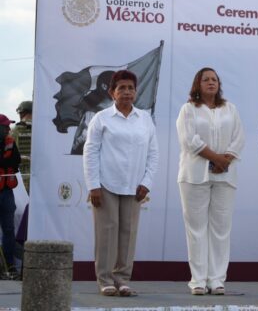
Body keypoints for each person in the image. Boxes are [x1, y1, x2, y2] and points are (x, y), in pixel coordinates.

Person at [83, 70, 160, 297]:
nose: (126, 92)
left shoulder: (145, 119)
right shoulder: (102, 118)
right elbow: (90, 152)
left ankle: (123, 279)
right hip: (105, 185)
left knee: (128, 232)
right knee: (107, 232)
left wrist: (147, 182)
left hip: (134, 186)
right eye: (121, 88)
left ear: (136, 92)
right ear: (112, 92)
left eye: (130, 88)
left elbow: (153, 153)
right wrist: (93, 185)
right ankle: (105, 280)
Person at [176, 68, 244, 296]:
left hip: (225, 177)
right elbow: (188, 140)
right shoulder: (188, 109)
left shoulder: (230, 108)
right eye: (206, 79)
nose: (211, 82)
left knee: (221, 229)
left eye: (214, 79)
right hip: (195, 177)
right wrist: (217, 159)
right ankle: (198, 280)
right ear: (197, 84)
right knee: (196, 229)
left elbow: (239, 137)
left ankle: (216, 280)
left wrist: (226, 161)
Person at [0, 114, 20, 279]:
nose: (8, 129)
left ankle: (10, 264)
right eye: (5, 126)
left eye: (8, 126)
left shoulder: (11, 143)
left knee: (8, 229)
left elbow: (16, 162)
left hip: (6, 192)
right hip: (5, 191)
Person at [10, 101, 31, 194]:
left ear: (23, 112)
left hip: (22, 174)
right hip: (41, 175)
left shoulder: (15, 130)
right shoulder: (43, 128)